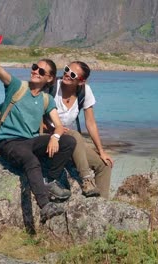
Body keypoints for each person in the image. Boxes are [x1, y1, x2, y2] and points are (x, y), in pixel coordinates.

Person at [0, 34, 76, 223]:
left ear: (49, 79)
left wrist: (55, 137)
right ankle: (45, 206)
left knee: (69, 141)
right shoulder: (16, 86)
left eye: (41, 71)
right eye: (35, 67)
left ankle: (49, 181)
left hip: (31, 141)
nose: (35, 72)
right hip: (10, 142)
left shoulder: (46, 99)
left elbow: (59, 126)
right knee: (30, 160)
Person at [48, 61, 113, 199]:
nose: (66, 74)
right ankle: (86, 180)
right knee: (75, 135)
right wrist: (54, 129)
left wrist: (101, 151)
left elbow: (90, 123)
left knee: (104, 165)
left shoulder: (85, 91)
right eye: (66, 69)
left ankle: (101, 206)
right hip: (48, 136)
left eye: (72, 74)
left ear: (81, 81)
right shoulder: (52, 87)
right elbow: (36, 115)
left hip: (69, 140)